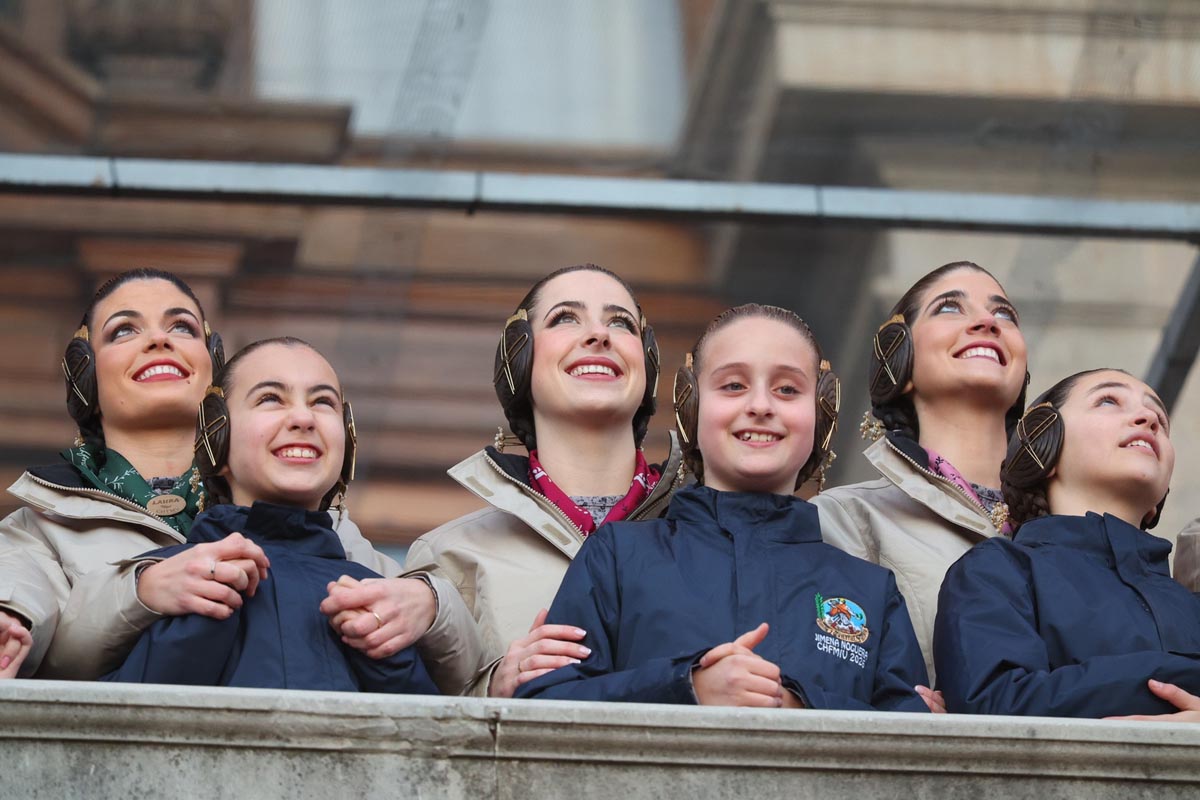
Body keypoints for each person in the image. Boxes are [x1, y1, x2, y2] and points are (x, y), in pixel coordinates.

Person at [0, 269, 462, 681]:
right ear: (84, 375)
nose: (160, 341)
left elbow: (462, 675)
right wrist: (142, 591)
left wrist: (430, 603)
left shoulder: (330, 531)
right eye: (123, 331)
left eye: (182, 326)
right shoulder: (37, 532)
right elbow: (32, 639)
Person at [517, 304, 932, 712]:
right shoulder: (618, 557)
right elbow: (542, 706)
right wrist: (687, 686)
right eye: (733, 385)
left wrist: (801, 709)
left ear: (822, 415)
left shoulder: (872, 591)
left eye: (787, 389)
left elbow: (921, 748)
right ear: (691, 406)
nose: (760, 405)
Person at [322, 265, 683, 698]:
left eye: (620, 322)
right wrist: (494, 690)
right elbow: (417, 732)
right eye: (565, 317)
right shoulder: (447, 558)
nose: (598, 335)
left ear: (648, 362)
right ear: (520, 358)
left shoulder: (712, 534)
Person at [105, 338, 436, 693]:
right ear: (218, 434)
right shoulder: (160, 582)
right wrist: (194, 628)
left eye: (323, 402)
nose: (303, 418)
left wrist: (387, 657)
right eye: (270, 399)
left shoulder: (378, 596)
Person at [934, 369, 1200, 718]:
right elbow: (995, 703)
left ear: (1158, 500)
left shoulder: (1191, 604)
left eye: (1162, 422)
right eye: (1108, 400)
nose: (1149, 418)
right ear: (1043, 446)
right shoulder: (995, 571)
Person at [812, 262, 1028, 684]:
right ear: (899, 358)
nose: (987, 322)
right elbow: (837, 679)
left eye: (1004, 315)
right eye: (950, 308)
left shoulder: (1076, 522)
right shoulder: (848, 518)